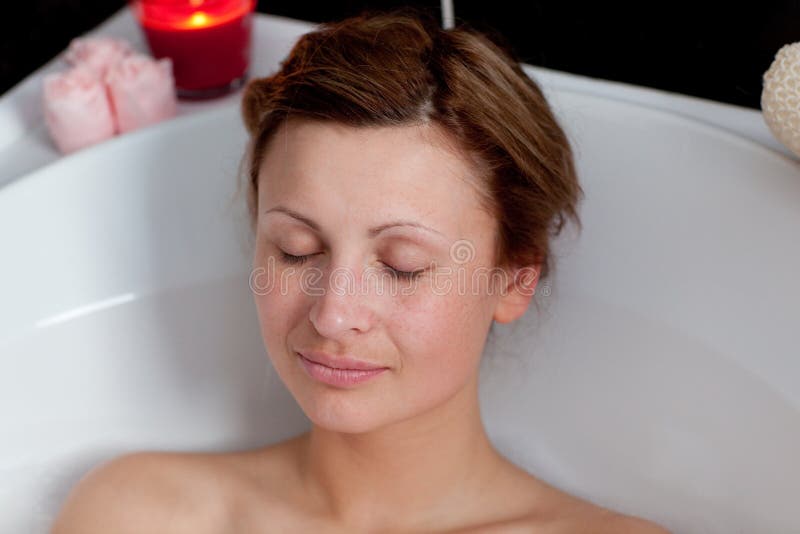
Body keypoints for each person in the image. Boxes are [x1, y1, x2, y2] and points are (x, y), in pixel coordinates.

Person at [51, 8, 670, 533]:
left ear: (512, 279)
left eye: (403, 266)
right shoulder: (140, 515)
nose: (333, 313)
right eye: (296, 248)